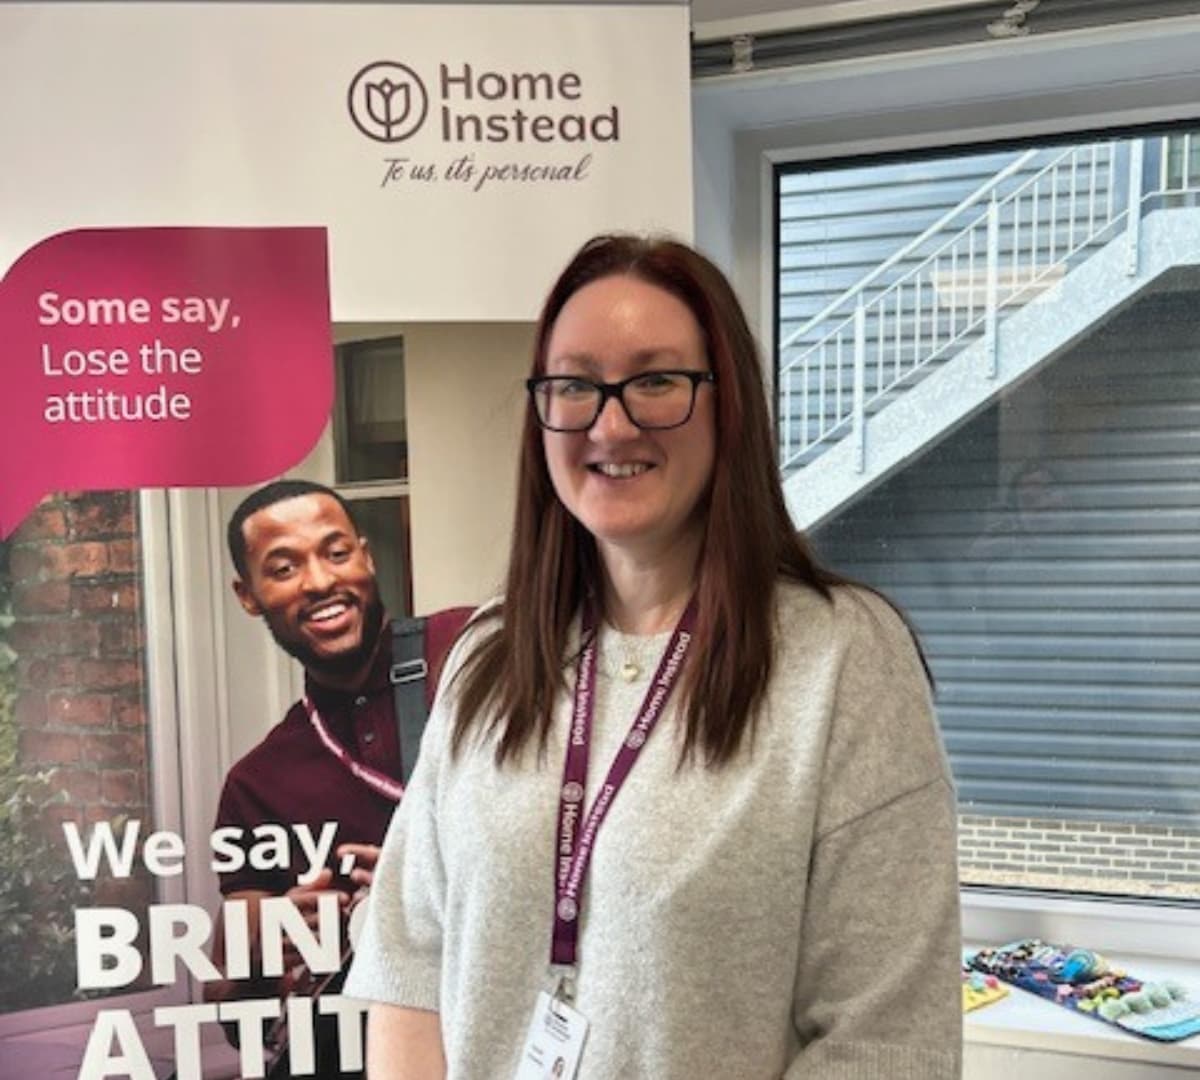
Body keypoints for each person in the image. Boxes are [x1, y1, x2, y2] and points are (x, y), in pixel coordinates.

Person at [345, 236, 962, 1078]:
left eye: (657, 381)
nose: (611, 423)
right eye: (574, 385)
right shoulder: (488, 659)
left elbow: (886, 1042)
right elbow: (410, 963)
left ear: (726, 403)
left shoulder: (843, 660)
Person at [204, 479, 466, 1078]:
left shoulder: (468, 652)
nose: (320, 581)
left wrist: (421, 879)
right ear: (248, 596)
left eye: (337, 552)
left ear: (366, 557)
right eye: (284, 568)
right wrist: (275, 941)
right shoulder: (256, 782)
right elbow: (231, 1016)